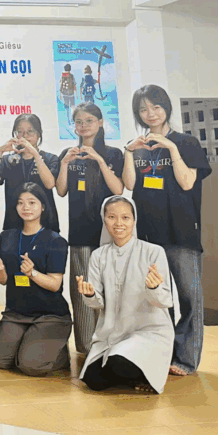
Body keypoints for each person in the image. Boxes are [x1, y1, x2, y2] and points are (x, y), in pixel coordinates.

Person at [122, 85, 211, 376]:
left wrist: (170, 147)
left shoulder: (186, 143)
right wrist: (129, 152)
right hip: (148, 236)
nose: (150, 114)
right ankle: (162, 353)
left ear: (166, 108)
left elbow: (187, 183)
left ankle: (186, 359)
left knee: (188, 298)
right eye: (143, 109)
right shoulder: (140, 146)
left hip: (181, 233)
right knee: (158, 300)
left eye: (155, 107)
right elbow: (131, 185)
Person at [78, 196, 176, 394]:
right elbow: (96, 303)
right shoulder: (98, 255)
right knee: (93, 380)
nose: (118, 223)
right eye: (112, 217)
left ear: (134, 220)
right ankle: (135, 368)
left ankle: (144, 370)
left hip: (149, 331)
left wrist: (155, 288)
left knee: (118, 363)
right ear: (104, 220)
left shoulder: (153, 252)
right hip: (112, 333)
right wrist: (88, 294)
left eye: (125, 217)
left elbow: (165, 301)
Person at [56, 102, 124, 354]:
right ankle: (86, 345)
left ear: (101, 122)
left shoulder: (114, 153)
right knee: (82, 290)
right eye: (79, 122)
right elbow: (61, 190)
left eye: (89, 121)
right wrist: (64, 164)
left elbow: (119, 190)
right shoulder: (69, 153)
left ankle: (114, 344)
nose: (83, 126)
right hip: (80, 232)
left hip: (110, 234)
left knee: (111, 289)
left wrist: (99, 159)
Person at [0, 183, 71, 376]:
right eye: (20, 203)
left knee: (30, 366)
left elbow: (55, 284)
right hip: (17, 313)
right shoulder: (7, 237)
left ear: (43, 206)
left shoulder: (56, 241)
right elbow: (3, 280)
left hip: (49, 315)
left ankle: (59, 352)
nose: (25, 207)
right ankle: (30, 341)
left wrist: (32, 274)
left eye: (32, 202)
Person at [0, 114, 60, 232]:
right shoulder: (8, 160)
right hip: (14, 222)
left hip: (45, 222)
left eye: (30, 131)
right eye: (20, 132)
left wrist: (35, 154)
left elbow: (50, 184)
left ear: (39, 133)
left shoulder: (50, 159)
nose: (25, 136)